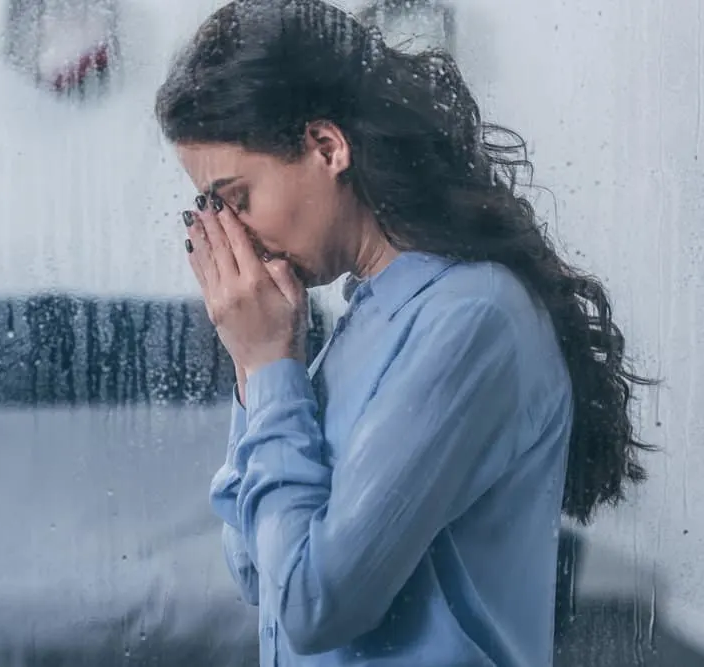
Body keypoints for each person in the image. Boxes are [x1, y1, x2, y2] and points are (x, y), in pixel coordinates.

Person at [154, 1, 655, 665]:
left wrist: (270, 365)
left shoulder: (472, 318)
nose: (234, 234)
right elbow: (256, 570)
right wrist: (256, 374)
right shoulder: (364, 313)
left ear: (326, 147)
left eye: (238, 198)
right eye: (214, 209)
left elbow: (313, 606)